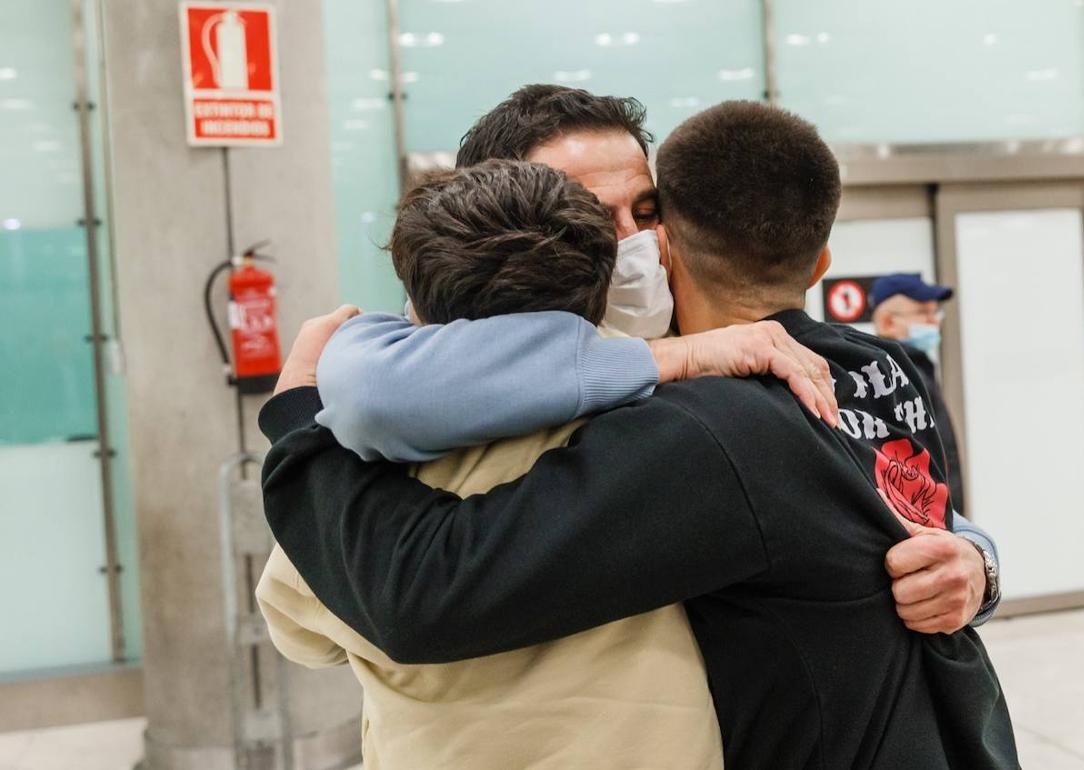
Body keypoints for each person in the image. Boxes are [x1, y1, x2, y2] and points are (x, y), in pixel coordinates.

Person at [260, 101, 1018, 767]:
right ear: (505, 224)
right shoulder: (417, 432)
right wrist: (303, 419)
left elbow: (891, 489)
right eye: (590, 217)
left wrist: (976, 563)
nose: (633, 244)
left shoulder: (753, 379)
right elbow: (376, 600)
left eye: (647, 211)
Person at [259, 159, 749, 768]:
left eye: (646, 214)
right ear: (600, 282)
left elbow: (299, 631)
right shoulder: (673, 418)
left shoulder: (355, 477)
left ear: (416, 306)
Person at [870, 273, 964, 511]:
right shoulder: (892, 379)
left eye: (935, 313)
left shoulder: (918, 369)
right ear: (887, 322)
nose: (934, 322)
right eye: (923, 314)